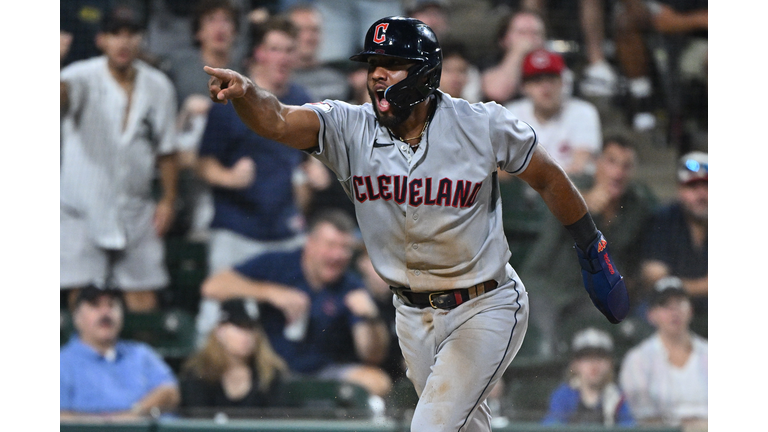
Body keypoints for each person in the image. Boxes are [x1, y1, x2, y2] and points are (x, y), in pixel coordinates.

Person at [202, 16, 630, 431]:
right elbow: (277, 119)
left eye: (392, 65)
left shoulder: (480, 124)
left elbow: (548, 177)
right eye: (373, 65)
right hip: (411, 315)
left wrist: (591, 248)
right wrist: (247, 93)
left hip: (485, 304)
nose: (377, 76)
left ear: (425, 73)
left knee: (432, 426)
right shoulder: (349, 126)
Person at [194, 16, 313, 342]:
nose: (283, 57)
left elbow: (303, 163)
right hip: (237, 230)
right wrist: (229, 177)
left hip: (285, 231)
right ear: (258, 53)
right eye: (274, 49)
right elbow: (203, 163)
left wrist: (309, 177)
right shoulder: (232, 98)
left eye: (289, 49)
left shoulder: (303, 98)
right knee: (218, 324)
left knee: (295, 323)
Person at [60, 4, 180, 312]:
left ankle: (135, 360)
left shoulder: (159, 86)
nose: (123, 42)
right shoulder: (79, 75)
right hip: (80, 209)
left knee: (145, 300)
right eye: (115, 34)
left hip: (135, 208)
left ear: (142, 39)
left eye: (131, 34)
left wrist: (167, 198)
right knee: (84, 299)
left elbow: (166, 149)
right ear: (101, 40)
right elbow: (58, 103)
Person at [199, 209, 393, 398]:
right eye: (331, 245)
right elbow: (212, 287)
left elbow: (371, 355)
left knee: (378, 382)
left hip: (323, 373)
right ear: (310, 243)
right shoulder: (279, 265)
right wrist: (270, 292)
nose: (337, 255)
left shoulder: (351, 286)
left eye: (345, 248)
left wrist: (371, 318)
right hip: (268, 368)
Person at [517, 135, 656, 356]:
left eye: (626, 166)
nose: (617, 173)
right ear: (598, 163)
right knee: (547, 345)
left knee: (616, 332)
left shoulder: (636, 206)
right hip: (548, 285)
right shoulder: (575, 186)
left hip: (589, 294)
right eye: (611, 162)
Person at [60, 286, 181, 421]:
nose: (105, 312)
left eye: (111, 305)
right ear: (76, 317)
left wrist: (134, 414)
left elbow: (170, 392)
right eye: (95, 305)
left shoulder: (140, 354)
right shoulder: (62, 362)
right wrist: (109, 425)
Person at [619, 277, 708, 430]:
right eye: (665, 305)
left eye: (680, 303)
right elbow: (643, 419)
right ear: (651, 315)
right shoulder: (637, 360)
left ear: (691, 310)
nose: (674, 311)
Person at [179, 298, 289, 413]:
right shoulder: (199, 372)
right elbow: (197, 422)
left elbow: (275, 421)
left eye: (251, 328)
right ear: (220, 331)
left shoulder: (271, 373)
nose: (247, 336)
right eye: (239, 327)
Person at [504, 49, 602, 176]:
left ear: (563, 81)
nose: (546, 87)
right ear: (524, 87)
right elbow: (502, 172)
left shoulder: (583, 112)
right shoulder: (512, 114)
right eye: (537, 80)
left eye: (551, 79)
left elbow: (579, 167)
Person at [639, 151, 707, 319]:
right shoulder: (664, 219)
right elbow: (656, 280)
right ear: (679, 190)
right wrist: (705, 286)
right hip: (669, 310)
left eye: (707, 186)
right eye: (692, 187)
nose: (701, 195)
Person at [542, 327, 634, 426]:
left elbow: (629, 426)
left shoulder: (619, 398)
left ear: (610, 364)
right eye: (586, 358)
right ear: (575, 364)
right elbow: (552, 426)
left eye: (600, 357)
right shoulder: (563, 396)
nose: (594, 365)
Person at [287, 3, 351, 102]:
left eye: (314, 30)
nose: (309, 37)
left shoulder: (338, 78)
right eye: (301, 30)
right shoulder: (281, 80)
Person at [481, 8, 547, 104]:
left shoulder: (555, 64)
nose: (529, 39)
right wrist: (517, 53)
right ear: (504, 39)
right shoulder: (490, 61)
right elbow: (497, 93)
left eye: (535, 33)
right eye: (522, 33)